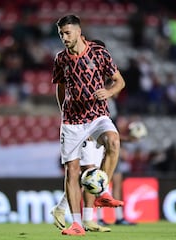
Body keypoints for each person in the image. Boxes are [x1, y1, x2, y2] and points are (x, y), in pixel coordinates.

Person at [52, 15, 125, 235]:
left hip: (97, 116)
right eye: (61, 34)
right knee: (72, 171)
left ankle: (102, 192)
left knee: (113, 140)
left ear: (78, 30)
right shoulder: (61, 59)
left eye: (67, 33)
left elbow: (119, 81)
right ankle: (76, 224)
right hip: (73, 122)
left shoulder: (98, 52)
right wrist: (63, 111)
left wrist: (109, 92)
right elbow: (60, 87)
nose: (64, 38)